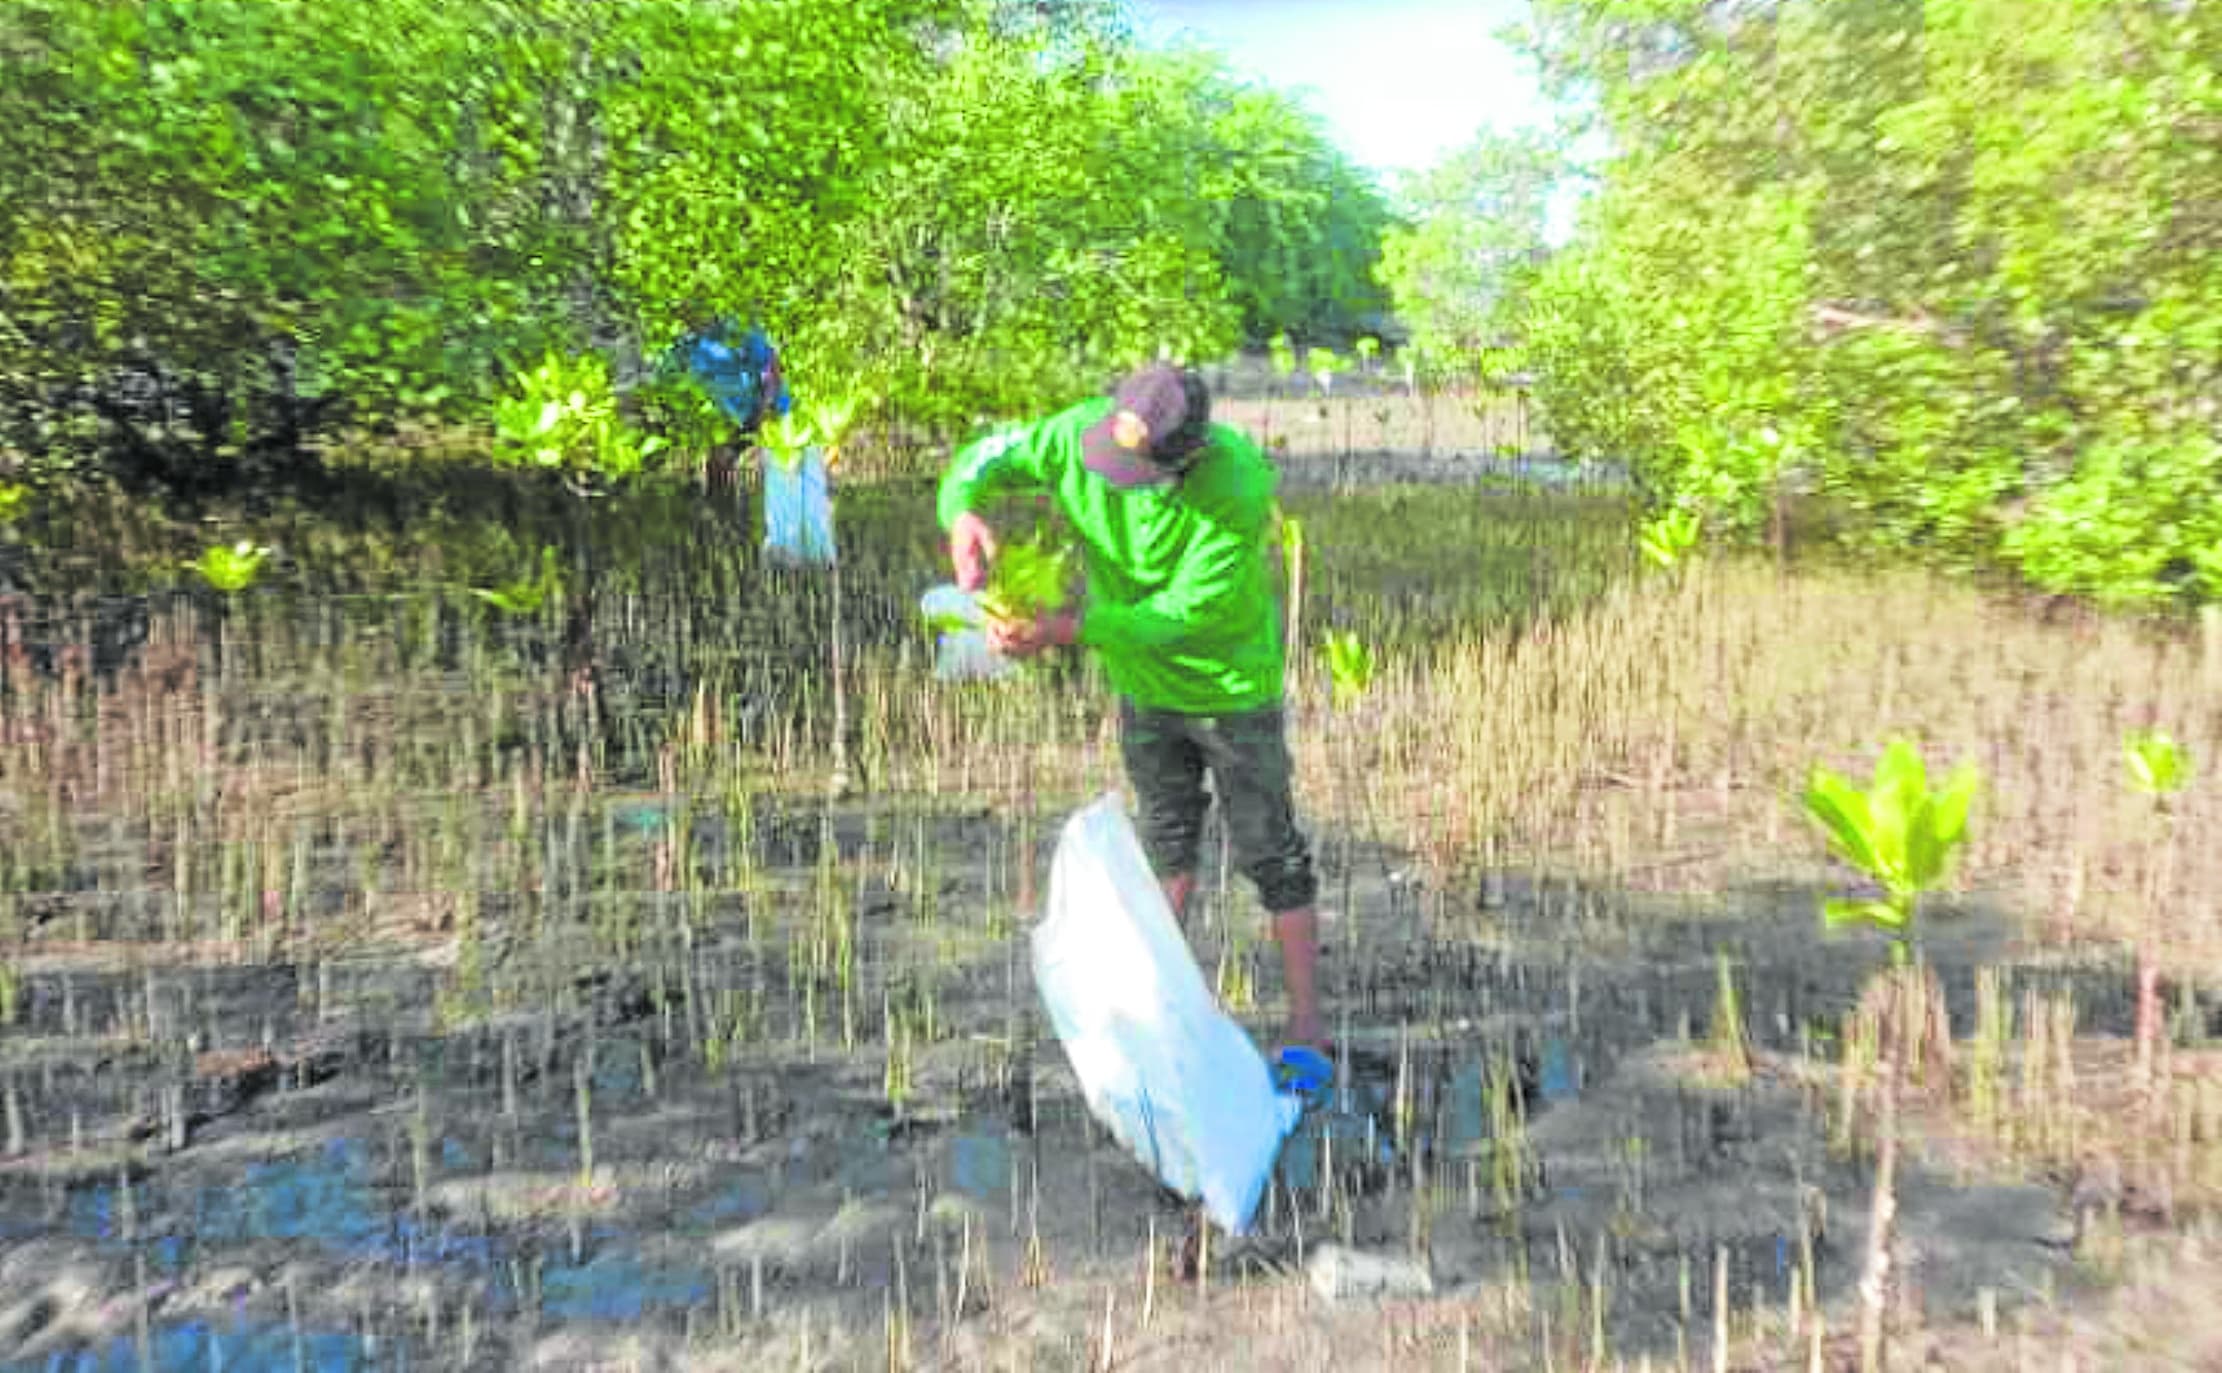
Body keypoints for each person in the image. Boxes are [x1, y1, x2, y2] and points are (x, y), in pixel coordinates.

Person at [936, 363, 1328, 1060]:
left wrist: (1062, 629)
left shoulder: (1236, 483)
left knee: (1273, 852)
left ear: (1189, 456)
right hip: (1142, 685)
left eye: (1134, 468)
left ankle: (1306, 1029)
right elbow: (982, 457)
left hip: (1230, 686)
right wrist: (961, 508)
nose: (1112, 476)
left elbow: (1179, 615)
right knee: (1165, 840)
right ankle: (1163, 1008)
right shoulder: (1072, 435)